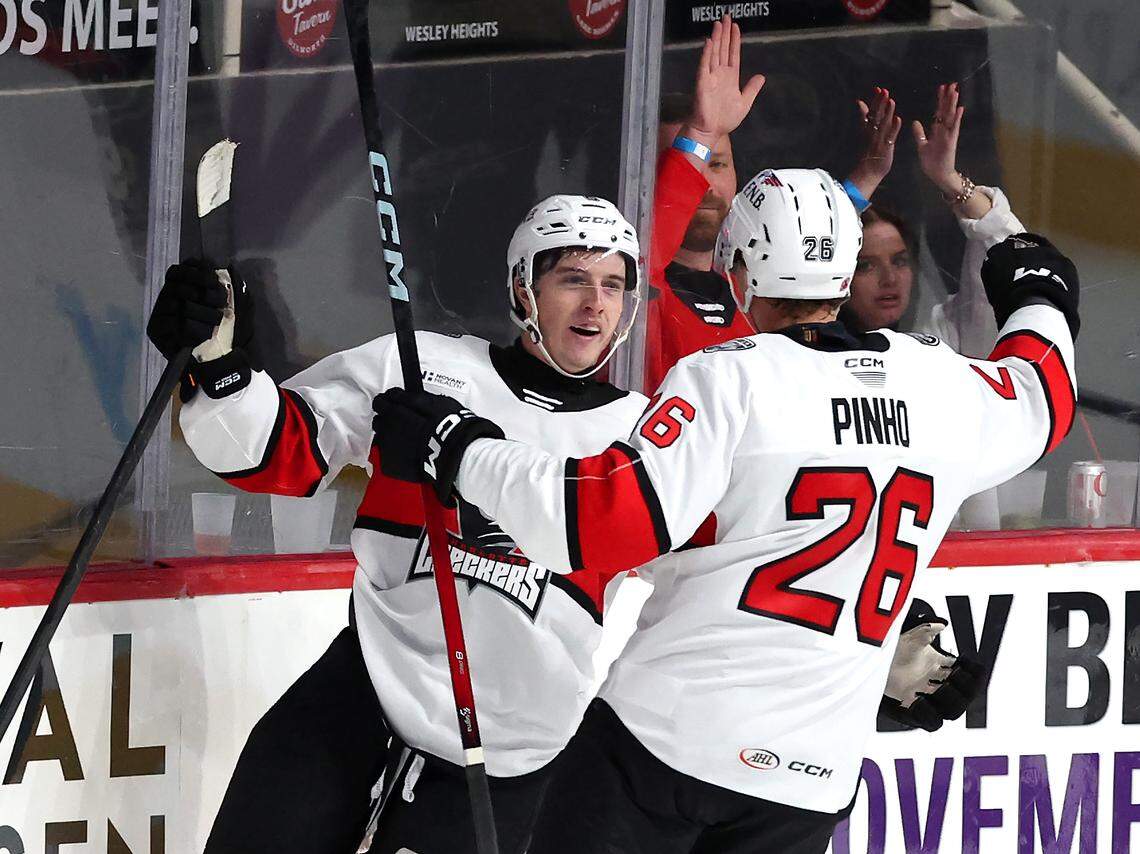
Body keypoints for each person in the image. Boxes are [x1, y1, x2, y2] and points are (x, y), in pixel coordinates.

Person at [372, 166, 1079, 852]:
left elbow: (593, 523)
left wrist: (457, 445)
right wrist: (1023, 260)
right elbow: (1044, 386)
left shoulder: (729, 378)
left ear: (739, 275)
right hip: (811, 776)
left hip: (666, 743)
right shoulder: (940, 384)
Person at [146, 195, 649, 853]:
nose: (597, 304)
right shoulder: (421, 367)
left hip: (511, 751)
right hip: (361, 694)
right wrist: (217, 368)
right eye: (574, 279)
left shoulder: (644, 435)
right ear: (523, 287)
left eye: (613, 284)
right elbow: (279, 453)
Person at [842, 82, 1027, 360]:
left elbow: (1009, 262)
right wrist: (868, 175)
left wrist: (949, 179)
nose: (889, 279)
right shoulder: (803, 352)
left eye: (900, 261)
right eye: (865, 265)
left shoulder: (945, 338)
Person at [644, 15, 765, 392]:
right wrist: (700, 133)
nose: (702, 184)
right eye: (684, 165)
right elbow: (640, 260)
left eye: (717, 164)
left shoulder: (757, 295)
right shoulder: (628, 291)